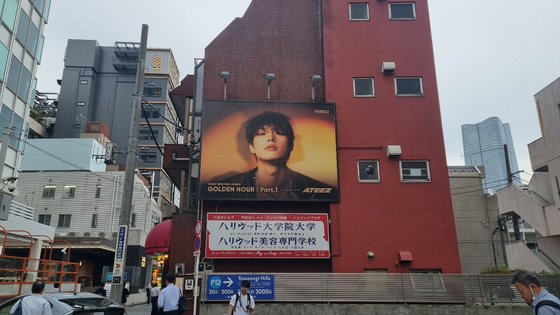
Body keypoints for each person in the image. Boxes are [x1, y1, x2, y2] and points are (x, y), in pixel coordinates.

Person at [207, 111, 338, 200]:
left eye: (279, 132)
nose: (271, 138)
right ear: (251, 146)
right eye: (261, 133)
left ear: (291, 145)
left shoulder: (317, 190)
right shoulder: (227, 188)